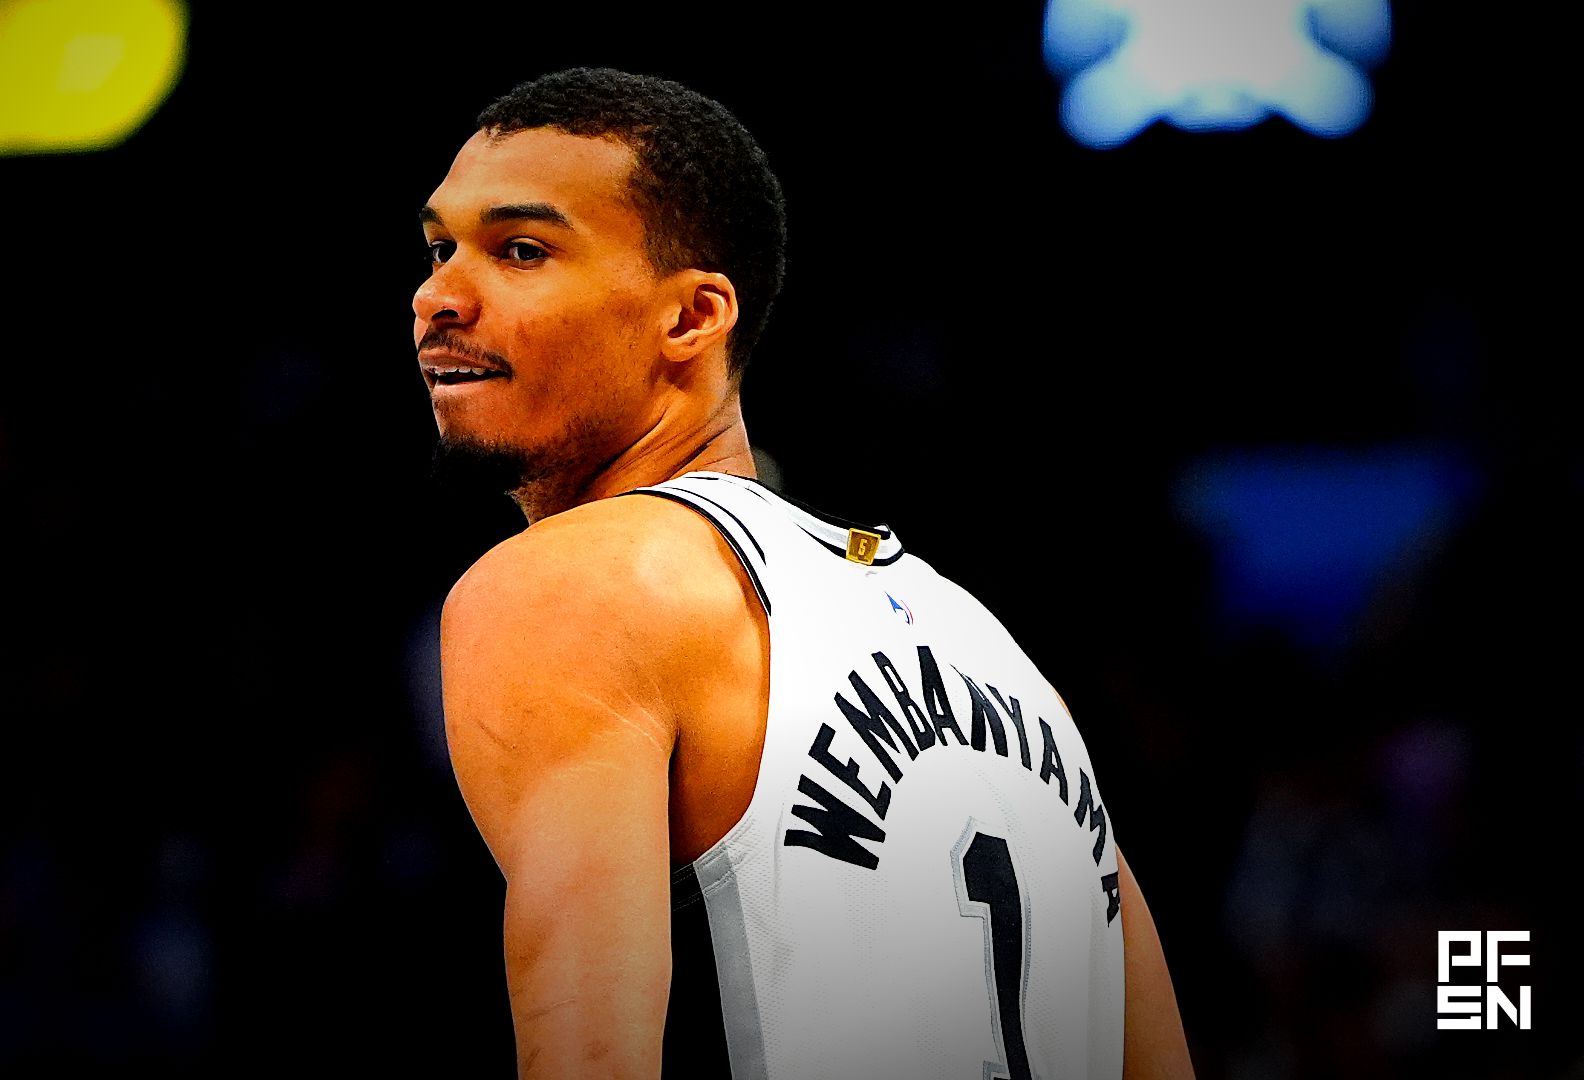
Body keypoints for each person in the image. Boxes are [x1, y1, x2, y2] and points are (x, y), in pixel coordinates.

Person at [418, 67, 1192, 1079]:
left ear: (693, 319)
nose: (439, 297)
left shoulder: (569, 586)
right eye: (440, 248)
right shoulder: (996, 655)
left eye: (521, 251)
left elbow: (589, 1057)